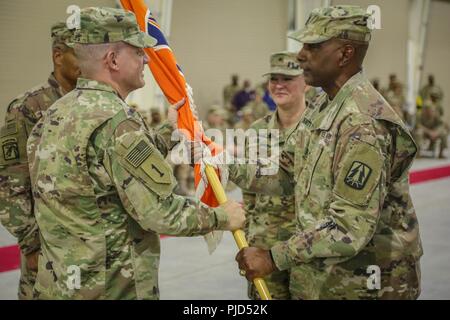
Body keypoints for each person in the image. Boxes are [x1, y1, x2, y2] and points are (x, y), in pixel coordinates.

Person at [27, 7, 245, 300]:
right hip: (111, 286)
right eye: (138, 51)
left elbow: (99, 178)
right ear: (113, 60)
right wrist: (221, 216)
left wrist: (168, 133)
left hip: (62, 283)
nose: (146, 58)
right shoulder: (117, 122)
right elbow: (160, 213)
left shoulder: (54, 114)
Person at [235, 5, 423, 300]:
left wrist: (274, 257)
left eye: (313, 46)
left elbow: (349, 227)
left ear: (345, 54)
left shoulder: (362, 123)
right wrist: (223, 165)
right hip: (326, 279)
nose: (300, 55)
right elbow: (285, 172)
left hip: (364, 284)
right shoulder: (324, 108)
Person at [0, 22, 80, 300]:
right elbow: (10, 182)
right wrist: (31, 245)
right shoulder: (28, 108)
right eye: (78, 53)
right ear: (59, 56)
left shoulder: (95, 105)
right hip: (46, 246)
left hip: (90, 247)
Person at [241, 51, 307, 299]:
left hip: (307, 248)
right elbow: (249, 190)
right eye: (274, 79)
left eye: (288, 78)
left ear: (305, 82)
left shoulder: (320, 128)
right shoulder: (257, 130)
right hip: (264, 245)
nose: (279, 85)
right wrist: (250, 237)